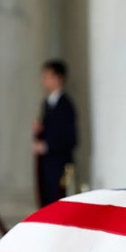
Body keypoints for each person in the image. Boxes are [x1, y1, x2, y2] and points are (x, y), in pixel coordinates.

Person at [32, 59, 77, 207]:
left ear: (58, 78)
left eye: (47, 76)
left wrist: (46, 146)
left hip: (59, 167)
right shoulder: (46, 104)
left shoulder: (66, 106)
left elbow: (71, 139)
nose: (43, 80)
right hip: (46, 167)